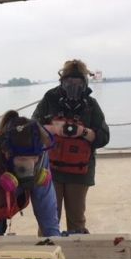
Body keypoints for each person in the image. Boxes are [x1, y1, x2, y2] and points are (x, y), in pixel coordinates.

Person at [32, 59, 110, 234]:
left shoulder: (91, 105)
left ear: (85, 83)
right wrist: (54, 129)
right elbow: (32, 127)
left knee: (76, 219)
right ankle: (47, 252)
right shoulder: (49, 99)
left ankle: (76, 252)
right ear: (62, 81)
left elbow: (104, 136)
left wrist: (82, 132)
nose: (73, 86)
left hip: (80, 171)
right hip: (51, 170)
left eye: (78, 82)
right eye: (69, 82)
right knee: (49, 218)